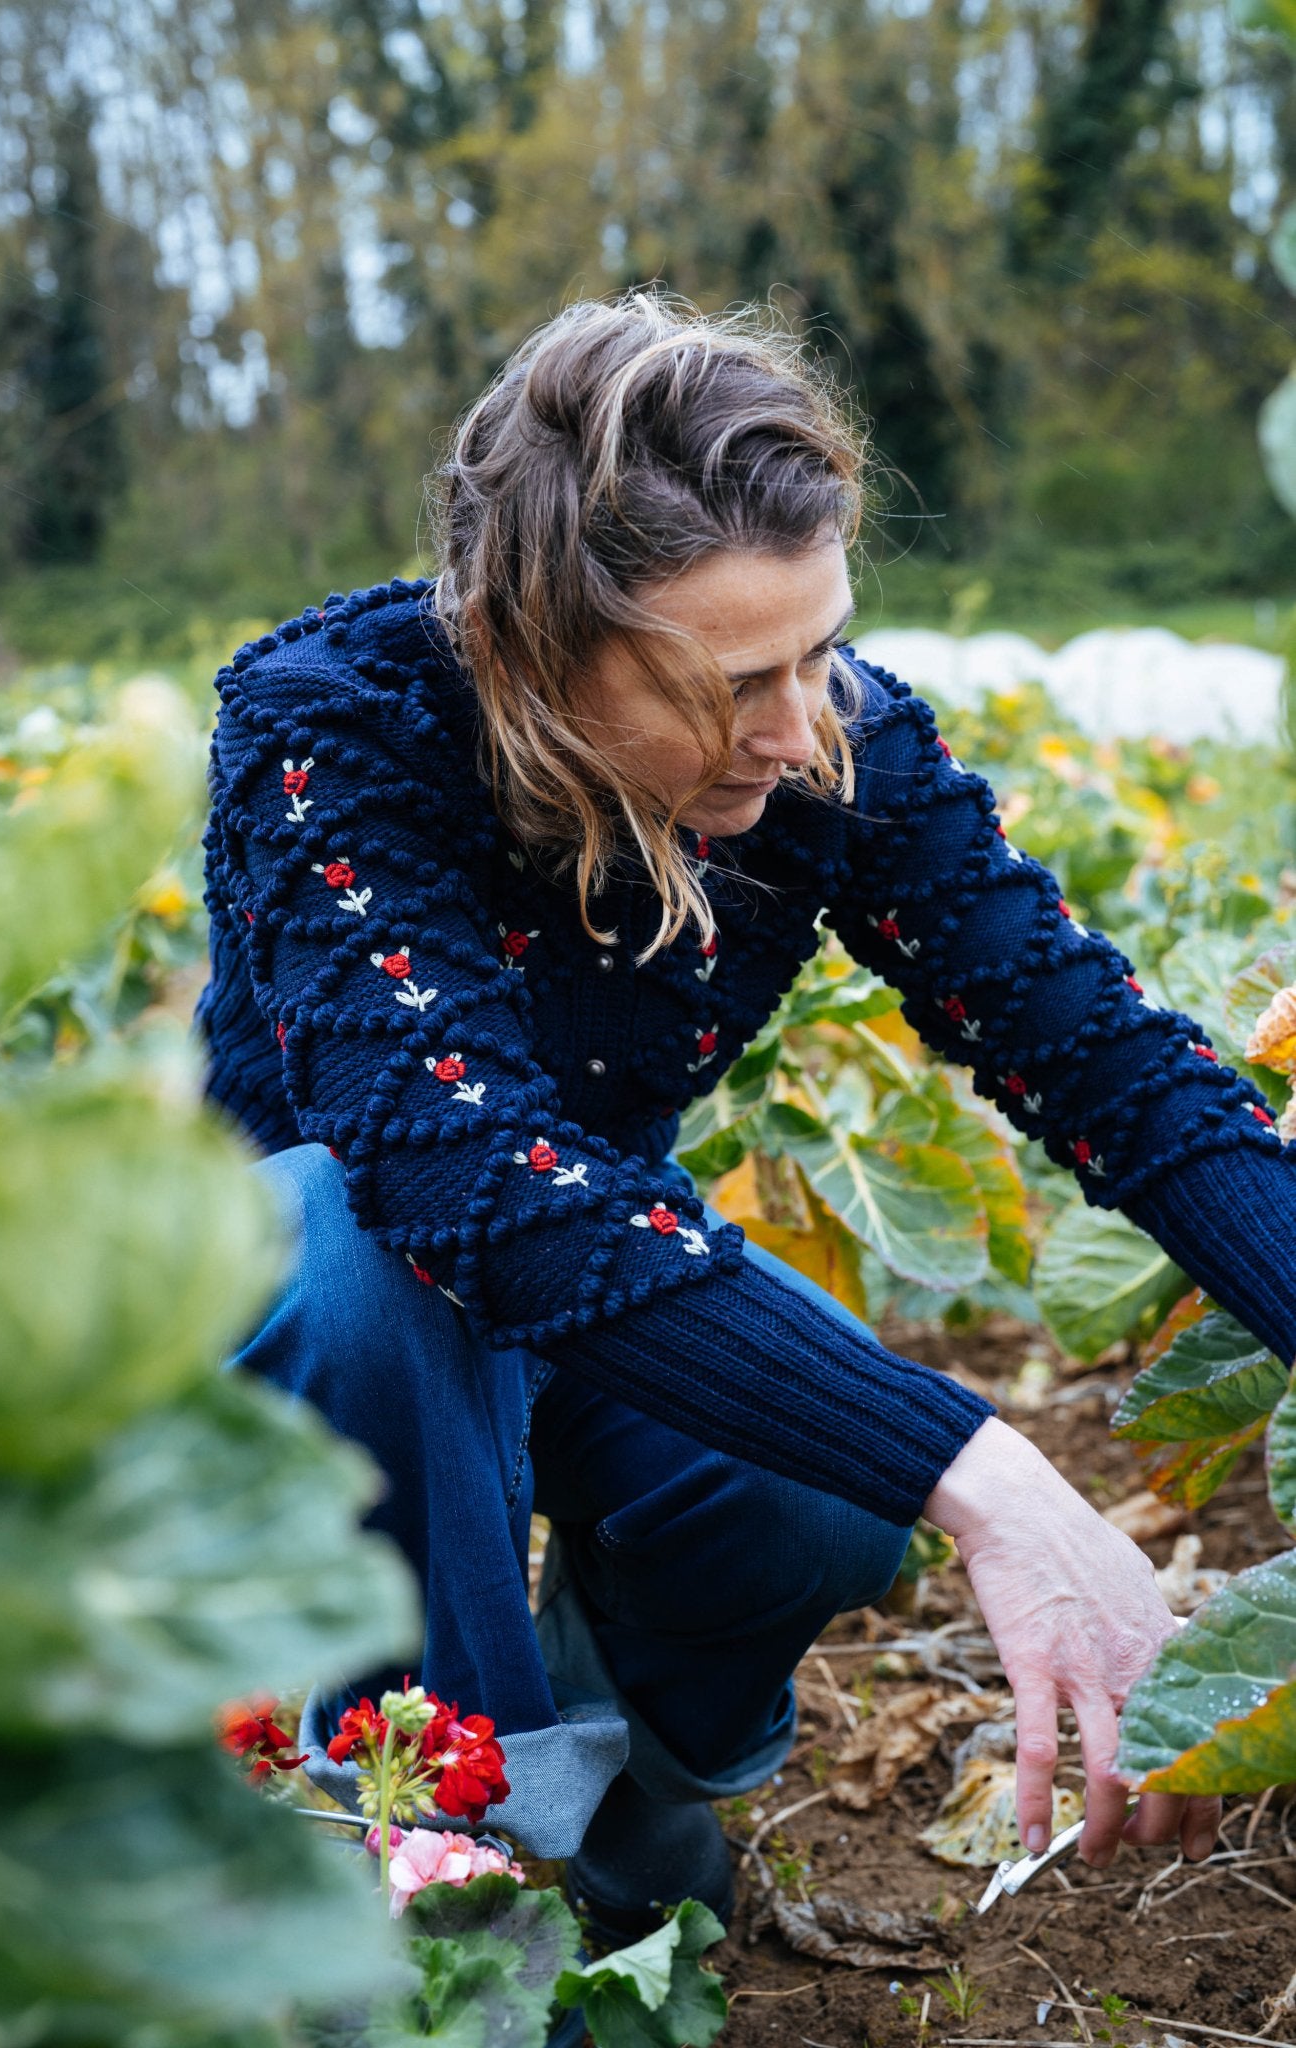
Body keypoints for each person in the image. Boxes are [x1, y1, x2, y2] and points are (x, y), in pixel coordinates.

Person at [197, 287, 1290, 1966]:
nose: (797, 731)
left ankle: (631, 1783)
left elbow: (1115, 1074)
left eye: (820, 648)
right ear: (520, 648)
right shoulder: (331, 729)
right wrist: (993, 1478)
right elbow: (460, 1176)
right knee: (366, 1255)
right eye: (730, 684)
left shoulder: (828, 753)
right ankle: (428, 1899)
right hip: (295, 1317)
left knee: (823, 1492)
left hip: (582, 1249)